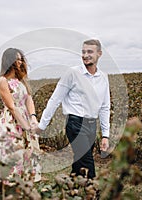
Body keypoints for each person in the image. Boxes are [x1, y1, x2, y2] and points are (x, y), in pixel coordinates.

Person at [34, 39, 110, 179]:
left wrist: (105, 135)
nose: (85, 55)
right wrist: (42, 125)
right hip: (75, 124)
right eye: (83, 52)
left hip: (92, 124)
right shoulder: (72, 73)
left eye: (90, 52)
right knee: (87, 162)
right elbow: (55, 99)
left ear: (99, 54)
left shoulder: (103, 77)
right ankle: (94, 192)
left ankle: (71, 186)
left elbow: (105, 107)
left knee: (79, 162)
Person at [0, 48, 41, 184]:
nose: (20, 62)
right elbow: (12, 107)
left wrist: (33, 118)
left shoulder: (21, 81)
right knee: (14, 150)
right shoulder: (2, 81)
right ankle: (12, 184)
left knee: (30, 149)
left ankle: (27, 182)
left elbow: (29, 99)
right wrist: (26, 127)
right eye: (17, 59)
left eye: (21, 59)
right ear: (9, 61)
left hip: (25, 117)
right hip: (11, 121)